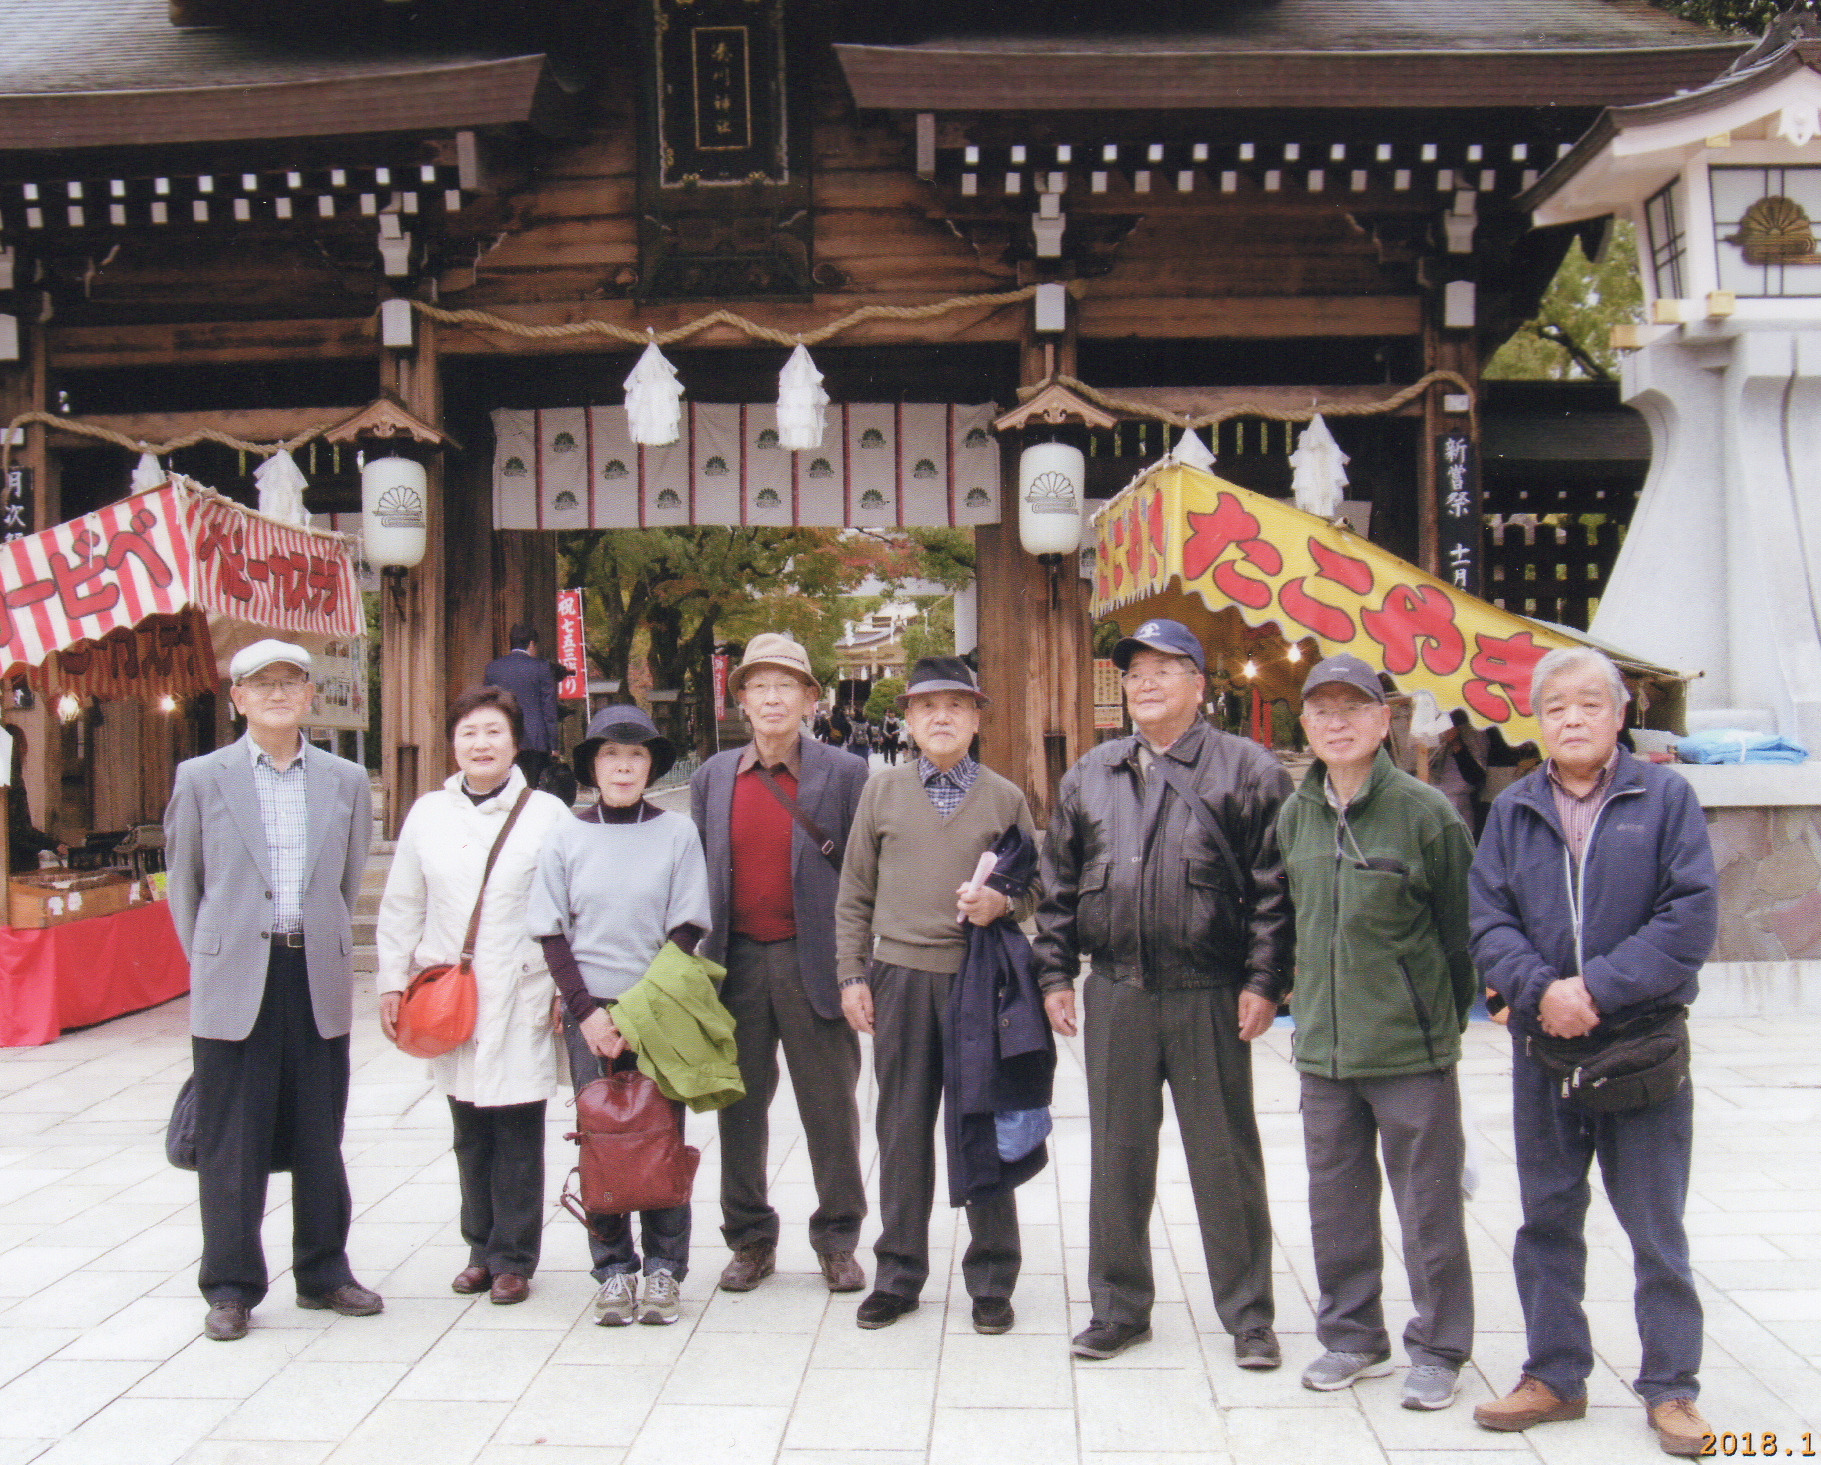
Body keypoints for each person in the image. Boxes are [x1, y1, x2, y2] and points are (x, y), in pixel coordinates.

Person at [1470, 647, 1717, 1458]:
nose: (1570, 718)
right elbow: (1488, 918)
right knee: (1545, 1214)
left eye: (1586, 704)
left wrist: (1594, 990)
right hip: (1545, 1045)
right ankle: (1554, 1373)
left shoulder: (1664, 797)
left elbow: (1688, 920)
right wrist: (1543, 990)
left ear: (1618, 715)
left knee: (1654, 1220)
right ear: (1536, 721)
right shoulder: (1512, 809)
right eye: (1554, 707)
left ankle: (1672, 1386)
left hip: (1639, 1042)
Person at [1034, 617, 1291, 1367]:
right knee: (1116, 1153)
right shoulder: (1091, 772)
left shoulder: (1247, 769)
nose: (1143, 681)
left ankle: (1248, 1314)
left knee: (1225, 1155)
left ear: (1199, 685)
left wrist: (1264, 981)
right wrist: (1055, 972)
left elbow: (1276, 890)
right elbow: (1055, 885)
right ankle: (1117, 1307)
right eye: (1134, 670)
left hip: (1207, 990)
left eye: (1163, 668)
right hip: (1115, 988)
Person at [163, 639, 378, 1343]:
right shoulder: (201, 777)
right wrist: (212, 959)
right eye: (262, 683)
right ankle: (229, 1284)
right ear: (239, 699)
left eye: (291, 681)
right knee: (233, 1139)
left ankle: (323, 1270)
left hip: (311, 969)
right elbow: (186, 885)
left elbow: (346, 883)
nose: (278, 693)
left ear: (311, 695)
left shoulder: (346, 780)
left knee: (321, 1133)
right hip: (233, 978)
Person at [1276, 654, 1476, 1410]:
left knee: (1426, 1204)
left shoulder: (1425, 813)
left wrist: (1435, 1025)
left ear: (1382, 718)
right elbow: (1293, 919)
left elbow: (1461, 937)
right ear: (1305, 723)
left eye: (1352, 707)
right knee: (1335, 1200)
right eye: (1321, 709)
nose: (1336, 721)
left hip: (1409, 1048)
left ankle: (1440, 1346)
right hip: (1323, 1047)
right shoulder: (1295, 813)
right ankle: (1351, 1334)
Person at [836, 656, 1035, 1334]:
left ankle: (991, 1277)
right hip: (898, 976)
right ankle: (898, 1272)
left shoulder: (1004, 797)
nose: (942, 717)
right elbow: (853, 893)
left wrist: (999, 901)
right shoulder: (881, 792)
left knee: (983, 1121)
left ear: (978, 717)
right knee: (901, 1126)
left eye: (956, 705)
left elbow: (1036, 888)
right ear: (909, 719)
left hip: (978, 979)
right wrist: (851, 974)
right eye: (927, 707)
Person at [374, 686, 569, 1306]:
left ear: (515, 743)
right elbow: (403, 901)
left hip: (522, 987)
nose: (480, 744)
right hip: (450, 990)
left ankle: (515, 1256)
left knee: (517, 1124)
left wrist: (572, 990)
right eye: (468, 734)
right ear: (453, 744)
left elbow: (572, 909)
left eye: (493, 732)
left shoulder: (548, 815)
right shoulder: (427, 813)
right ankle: (478, 1248)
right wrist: (390, 977)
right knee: (467, 1125)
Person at [690, 634, 871, 1295]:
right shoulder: (713, 776)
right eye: (758, 686)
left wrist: (858, 967)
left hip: (812, 958)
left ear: (809, 699)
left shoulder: (844, 774)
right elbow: (698, 872)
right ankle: (749, 1236)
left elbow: (861, 876)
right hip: (734, 961)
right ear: (740, 699)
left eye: (785, 685)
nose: (771, 698)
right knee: (738, 1106)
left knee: (830, 1106)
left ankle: (838, 1236)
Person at [527, 704, 711, 1327]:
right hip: (591, 1010)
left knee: (661, 1135)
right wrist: (587, 1014)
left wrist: (641, 1009)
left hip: (661, 1003)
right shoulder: (567, 835)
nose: (624, 767)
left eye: (635, 756)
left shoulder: (678, 833)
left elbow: (688, 926)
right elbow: (551, 931)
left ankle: (665, 1267)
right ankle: (612, 1267)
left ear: (651, 765)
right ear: (593, 766)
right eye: (610, 755)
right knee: (602, 1136)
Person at [483, 622, 564, 790]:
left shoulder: (493, 669)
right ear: (531, 644)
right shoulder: (542, 668)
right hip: (535, 739)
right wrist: (554, 745)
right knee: (532, 789)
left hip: (502, 736)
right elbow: (549, 709)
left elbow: (487, 706)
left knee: (503, 786)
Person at [4, 723, 67, 873]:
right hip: (15, 860)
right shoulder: (12, 782)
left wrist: (52, 844)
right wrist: (51, 845)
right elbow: (19, 831)